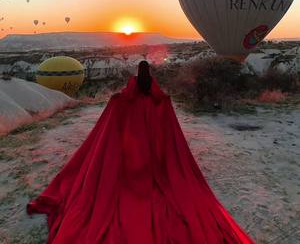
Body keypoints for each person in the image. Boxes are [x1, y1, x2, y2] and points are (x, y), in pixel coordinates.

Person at [27, 61, 255, 243]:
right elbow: (172, 141)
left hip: (125, 166)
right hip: (155, 165)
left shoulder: (120, 102)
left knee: (99, 211)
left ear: (135, 78)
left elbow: (105, 138)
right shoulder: (161, 102)